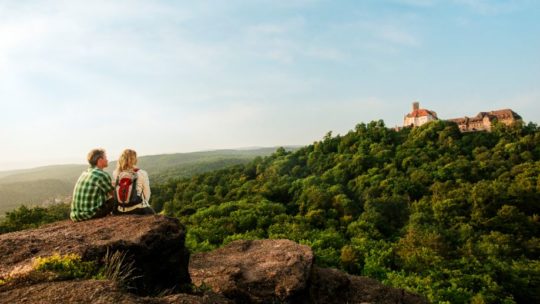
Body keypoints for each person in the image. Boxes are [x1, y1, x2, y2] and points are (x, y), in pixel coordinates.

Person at [70, 148, 115, 221]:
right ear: (100, 160)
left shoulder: (85, 173)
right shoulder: (102, 175)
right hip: (91, 214)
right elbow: (114, 194)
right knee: (116, 199)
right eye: (105, 158)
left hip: (76, 215)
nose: (107, 160)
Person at [113, 149, 155, 215]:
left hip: (121, 209)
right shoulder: (142, 173)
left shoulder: (116, 173)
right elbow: (147, 193)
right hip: (138, 209)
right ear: (134, 159)